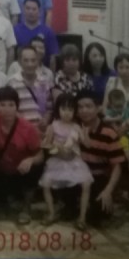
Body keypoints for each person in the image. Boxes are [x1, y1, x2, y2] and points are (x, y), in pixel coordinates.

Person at [0, 86, 43, 225]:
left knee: (34, 169)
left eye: (11, 105)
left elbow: (40, 155)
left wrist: (30, 159)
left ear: (17, 106)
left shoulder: (27, 128)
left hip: (20, 171)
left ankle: (26, 208)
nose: (7, 109)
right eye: (2, 104)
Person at [40, 94, 94, 230]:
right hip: (57, 160)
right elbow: (45, 145)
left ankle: (82, 218)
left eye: (70, 109)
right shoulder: (53, 125)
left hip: (74, 162)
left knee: (86, 184)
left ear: (74, 111)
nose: (67, 113)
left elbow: (87, 145)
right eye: (63, 109)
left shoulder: (76, 126)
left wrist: (86, 134)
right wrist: (55, 146)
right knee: (46, 184)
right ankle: (51, 213)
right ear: (58, 109)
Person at [76, 90, 125, 225]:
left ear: (98, 108)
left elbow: (117, 166)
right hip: (78, 174)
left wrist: (108, 190)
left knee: (99, 215)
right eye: (80, 107)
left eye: (88, 106)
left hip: (99, 177)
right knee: (69, 209)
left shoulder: (108, 133)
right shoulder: (75, 128)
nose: (84, 110)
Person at [8, 46, 53, 127]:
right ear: (19, 62)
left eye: (33, 60)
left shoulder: (44, 81)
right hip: (21, 128)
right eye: (26, 60)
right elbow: (10, 109)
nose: (30, 64)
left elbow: (49, 107)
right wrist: (27, 126)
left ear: (37, 61)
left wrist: (46, 119)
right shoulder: (12, 83)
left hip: (41, 129)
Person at [13, 0, 59, 67]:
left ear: (39, 11)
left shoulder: (48, 32)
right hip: (19, 69)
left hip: (42, 70)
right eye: (28, 8)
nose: (30, 12)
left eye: (34, 9)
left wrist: (51, 73)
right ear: (23, 10)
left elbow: (53, 57)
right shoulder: (15, 30)